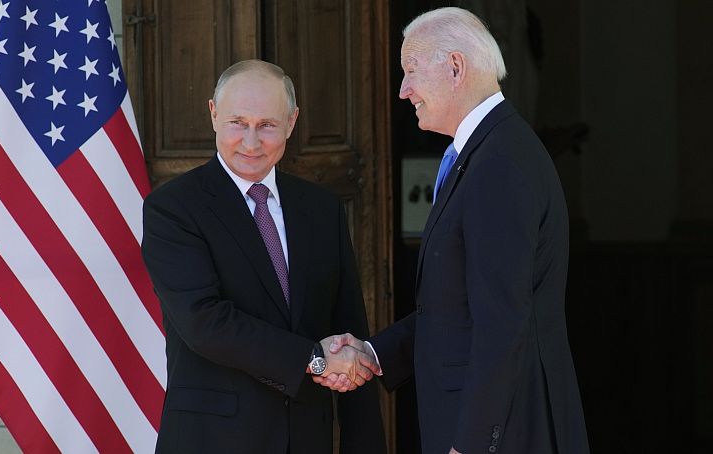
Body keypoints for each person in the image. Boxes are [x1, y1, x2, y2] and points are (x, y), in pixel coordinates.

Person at [317, 7, 590, 454]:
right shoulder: (487, 151)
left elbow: (501, 322)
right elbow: (457, 305)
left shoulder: (498, 164)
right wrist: (374, 354)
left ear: (456, 67)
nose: (403, 90)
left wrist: (472, 444)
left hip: (504, 435)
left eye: (410, 71)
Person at [141, 59, 386, 454]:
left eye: (267, 125)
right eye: (238, 123)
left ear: (291, 122)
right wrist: (313, 359)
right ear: (213, 114)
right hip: (212, 442)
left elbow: (349, 330)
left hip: (307, 439)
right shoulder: (173, 209)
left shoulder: (322, 208)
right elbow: (205, 322)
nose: (251, 142)